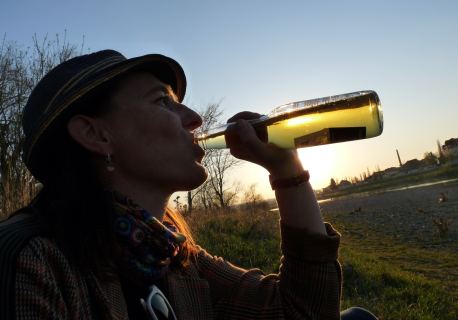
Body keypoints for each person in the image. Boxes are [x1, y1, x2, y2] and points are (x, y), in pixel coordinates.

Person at [0, 50, 377, 319]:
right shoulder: (30, 261)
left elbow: (304, 310)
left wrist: (288, 172)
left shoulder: (170, 254)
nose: (195, 119)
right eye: (163, 102)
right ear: (95, 135)